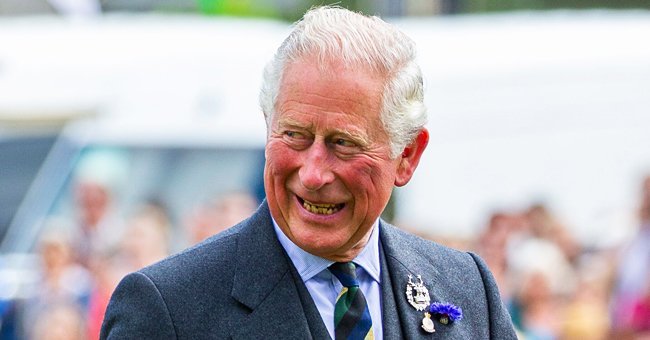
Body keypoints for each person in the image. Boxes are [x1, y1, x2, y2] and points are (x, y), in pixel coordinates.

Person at [100, 6, 517, 339]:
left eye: (343, 143)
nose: (314, 173)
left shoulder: (465, 287)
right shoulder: (167, 309)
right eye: (295, 135)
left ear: (406, 155)